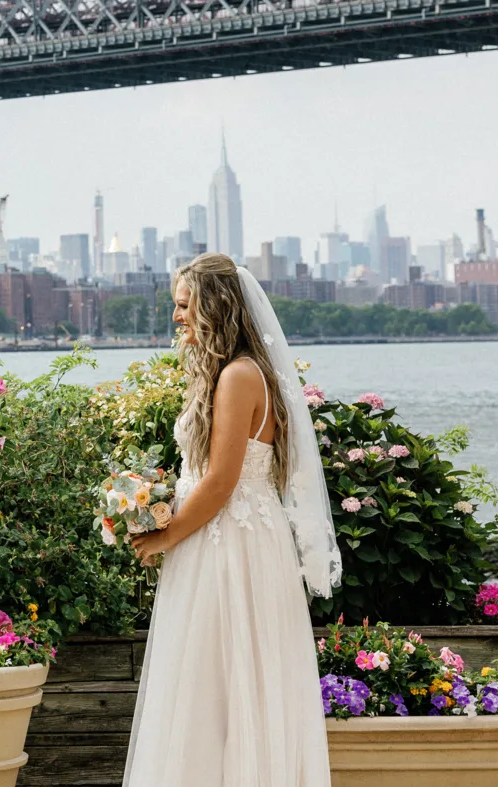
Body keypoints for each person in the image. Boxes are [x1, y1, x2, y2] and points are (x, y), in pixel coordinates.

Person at [125, 253, 342, 786]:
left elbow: (221, 483)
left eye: (183, 305)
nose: (176, 317)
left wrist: (163, 536)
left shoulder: (239, 376)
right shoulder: (229, 373)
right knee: (207, 684)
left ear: (214, 306)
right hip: (222, 537)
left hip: (229, 546)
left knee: (220, 682)